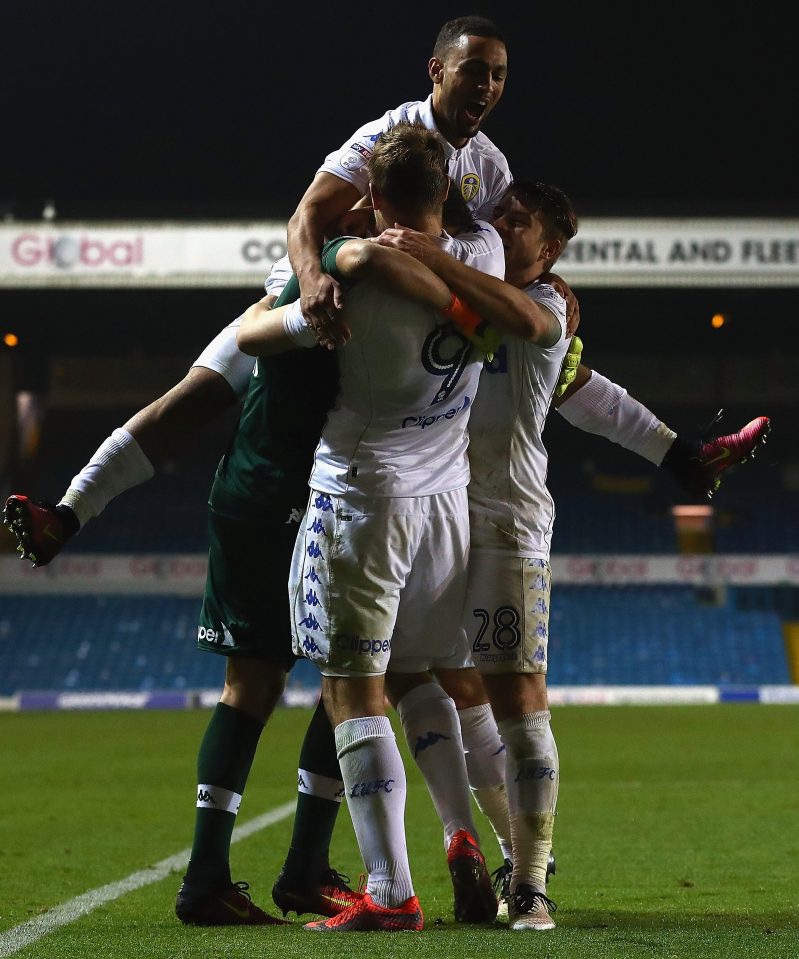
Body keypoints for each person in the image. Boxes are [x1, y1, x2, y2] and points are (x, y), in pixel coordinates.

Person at [238, 121, 564, 933]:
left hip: (361, 496)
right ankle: (475, 842)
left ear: (374, 196)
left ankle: (390, 890)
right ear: (449, 194)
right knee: (422, 671)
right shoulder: (484, 257)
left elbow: (253, 338)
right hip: (446, 504)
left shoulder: (349, 274)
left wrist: (326, 269)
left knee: (354, 690)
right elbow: (518, 321)